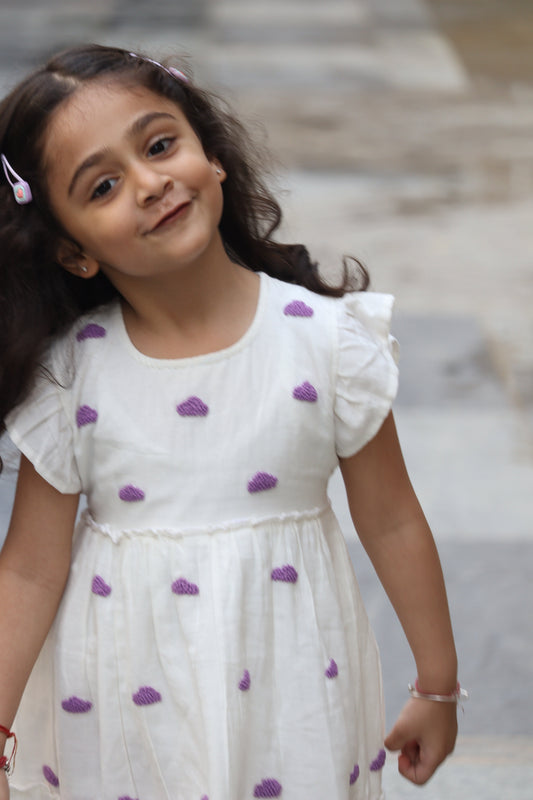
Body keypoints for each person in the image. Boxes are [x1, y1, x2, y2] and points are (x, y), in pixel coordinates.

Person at [0, 44, 462, 800]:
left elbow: (391, 519)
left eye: (159, 146)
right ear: (71, 250)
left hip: (292, 687)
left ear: (211, 154)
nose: (150, 183)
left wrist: (436, 686)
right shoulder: (73, 376)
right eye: (104, 185)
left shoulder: (327, 342)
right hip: (121, 703)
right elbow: (28, 568)